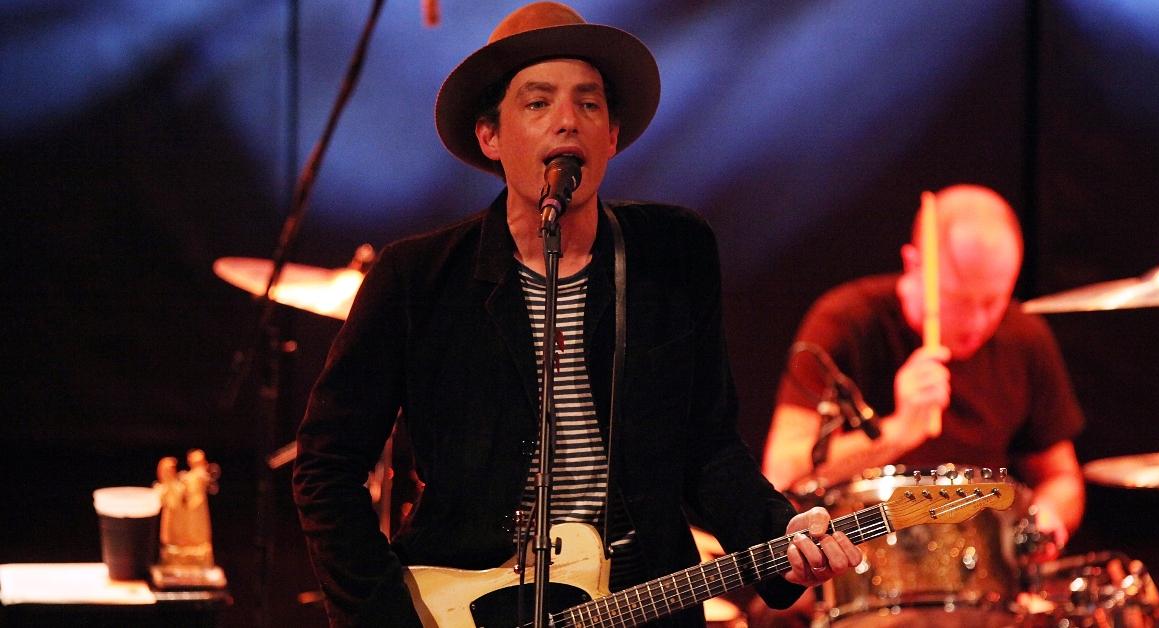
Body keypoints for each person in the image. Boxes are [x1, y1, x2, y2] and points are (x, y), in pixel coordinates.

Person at [291, 3, 861, 626]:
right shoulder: (416, 277)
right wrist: (385, 616)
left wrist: (782, 535)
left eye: (589, 104)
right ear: (490, 137)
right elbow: (327, 465)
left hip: (639, 603)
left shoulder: (672, 253)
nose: (567, 121)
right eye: (538, 103)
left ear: (611, 135)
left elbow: (710, 450)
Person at [762, 184, 1085, 556]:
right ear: (915, 265)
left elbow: (1060, 477)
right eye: (960, 300)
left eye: (993, 301)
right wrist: (898, 431)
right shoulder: (845, 323)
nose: (977, 322)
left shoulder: (1024, 338)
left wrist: (1048, 514)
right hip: (855, 569)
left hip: (979, 572)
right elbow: (781, 475)